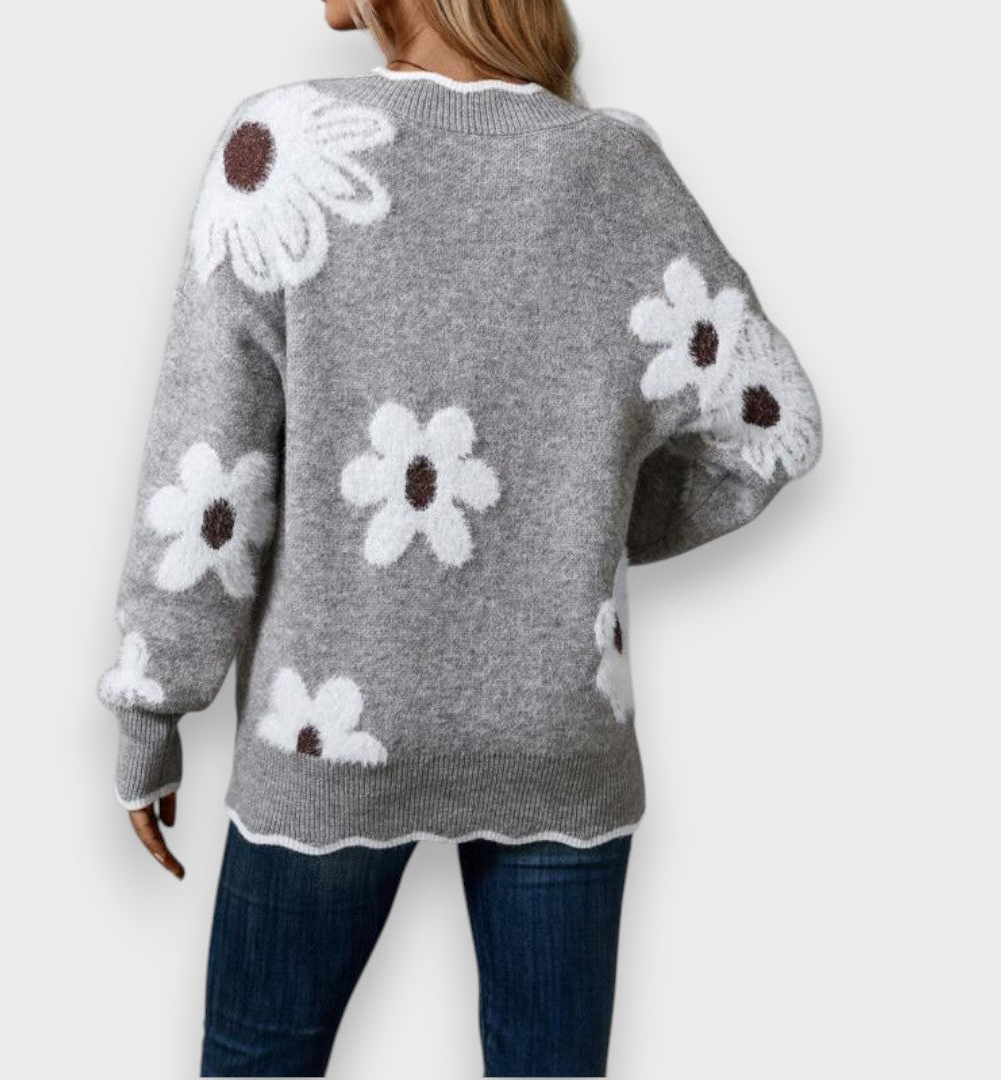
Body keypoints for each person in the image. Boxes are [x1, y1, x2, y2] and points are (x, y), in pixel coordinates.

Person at [97, 0, 823, 1074]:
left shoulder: (284, 149)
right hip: (559, 733)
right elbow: (773, 429)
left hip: (326, 732)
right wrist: (570, 525)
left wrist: (151, 707)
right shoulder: (615, 170)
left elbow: (209, 465)